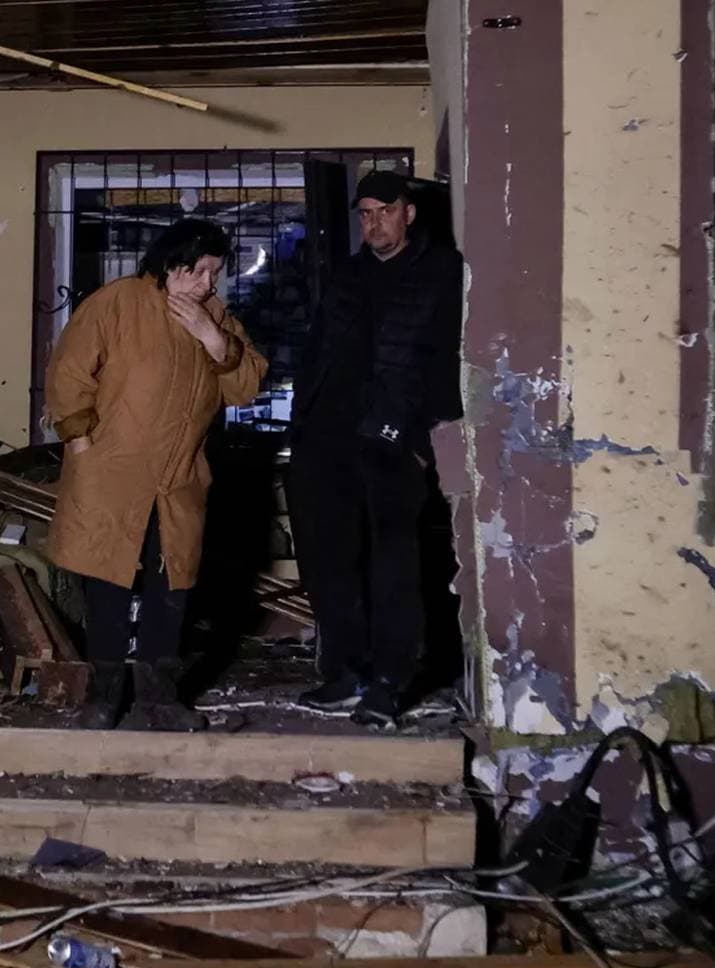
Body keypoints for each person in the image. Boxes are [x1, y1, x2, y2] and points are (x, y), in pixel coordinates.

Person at [45, 219, 268, 730]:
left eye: (215, 273)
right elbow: (69, 370)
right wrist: (80, 443)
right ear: (174, 264)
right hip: (112, 472)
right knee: (106, 586)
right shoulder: (118, 302)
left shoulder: (215, 316)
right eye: (203, 271)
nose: (210, 283)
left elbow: (246, 387)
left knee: (173, 588)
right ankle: (103, 699)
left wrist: (214, 340)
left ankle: (159, 699)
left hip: (180, 478)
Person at [288, 171, 464, 730]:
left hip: (391, 441)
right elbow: (318, 349)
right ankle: (346, 672)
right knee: (330, 559)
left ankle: (390, 681)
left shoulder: (441, 272)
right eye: (364, 213)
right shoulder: (347, 274)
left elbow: (443, 360)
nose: (373, 223)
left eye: (383, 211)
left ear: (408, 213)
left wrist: (416, 437)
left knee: (392, 565)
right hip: (328, 439)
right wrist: (303, 422)